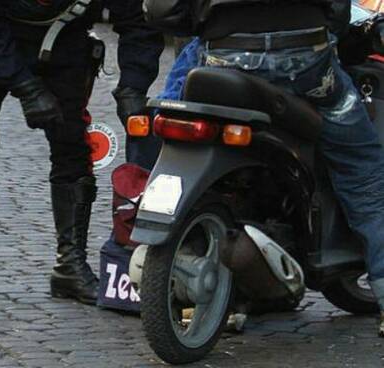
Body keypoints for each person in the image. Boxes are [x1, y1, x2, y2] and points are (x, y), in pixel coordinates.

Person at [147, 0, 384, 336]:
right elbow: (338, 15)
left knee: (176, 115)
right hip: (305, 63)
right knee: (364, 171)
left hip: (225, 61)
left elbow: (163, 11)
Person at [0, 0, 164, 305]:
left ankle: (70, 266)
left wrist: (133, 86)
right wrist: (25, 87)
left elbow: (137, 21)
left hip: (63, 42)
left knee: (74, 149)